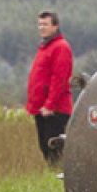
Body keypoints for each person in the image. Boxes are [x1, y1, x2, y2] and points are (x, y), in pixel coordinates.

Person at [26, 10, 74, 162]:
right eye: (39, 24)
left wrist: (50, 105)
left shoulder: (61, 47)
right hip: (41, 108)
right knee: (45, 148)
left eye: (45, 24)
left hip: (54, 110)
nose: (41, 27)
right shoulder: (45, 47)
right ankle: (52, 175)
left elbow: (59, 79)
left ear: (55, 26)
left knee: (55, 149)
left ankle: (58, 177)